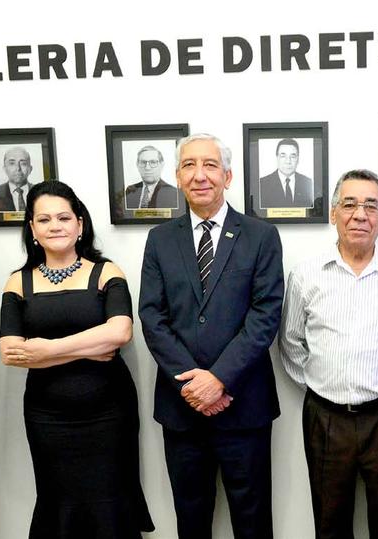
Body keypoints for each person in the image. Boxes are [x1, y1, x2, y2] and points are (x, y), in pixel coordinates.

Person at [139, 133, 284, 539]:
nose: (199, 175)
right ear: (178, 177)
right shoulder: (160, 240)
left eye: (209, 165)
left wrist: (218, 379)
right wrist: (193, 381)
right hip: (181, 407)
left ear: (228, 175)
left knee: (252, 521)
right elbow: (153, 316)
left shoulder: (260, 236)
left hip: (244, 406)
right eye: (188, 165)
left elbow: (265, 314)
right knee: (191, 519)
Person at [0, 180, 153, 538]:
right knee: (58, 502)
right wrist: (87, 347)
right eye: (44, 219)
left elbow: (119, 333)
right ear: (32, 229)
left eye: (64, 218)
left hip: (109, 414)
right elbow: (11, 351)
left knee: (111, 502)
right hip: (47, 417)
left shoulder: (107, 272)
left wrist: (46, 350)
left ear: (80, 225)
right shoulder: (17, 282)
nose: (55, 226)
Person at [279, 169, 378, 539]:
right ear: (333, 213)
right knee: (329, 523)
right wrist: (324, 384)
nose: (360, 214)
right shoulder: (307, 274)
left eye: (371, 205)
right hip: (326, 418)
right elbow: (291, 343)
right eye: (350, 204)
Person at [258, 138, 315, 208]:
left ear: (298, 159)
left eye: (293, 156)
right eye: (283, 156)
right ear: (277, 157)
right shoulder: (262, 184)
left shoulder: (308, 182)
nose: (288, 161)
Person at [125, 145, 180, 209]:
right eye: (143, 162)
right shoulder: (130, 191)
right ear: (137, 165)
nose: (147, 168)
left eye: (153, 162)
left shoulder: (173, 193)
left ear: (161, 165)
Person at [0, 147, 36, 212]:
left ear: (30, 169)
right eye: (12, 163)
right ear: (5, 168)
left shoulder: (40, 192)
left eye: (23, 164)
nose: (18, 168)